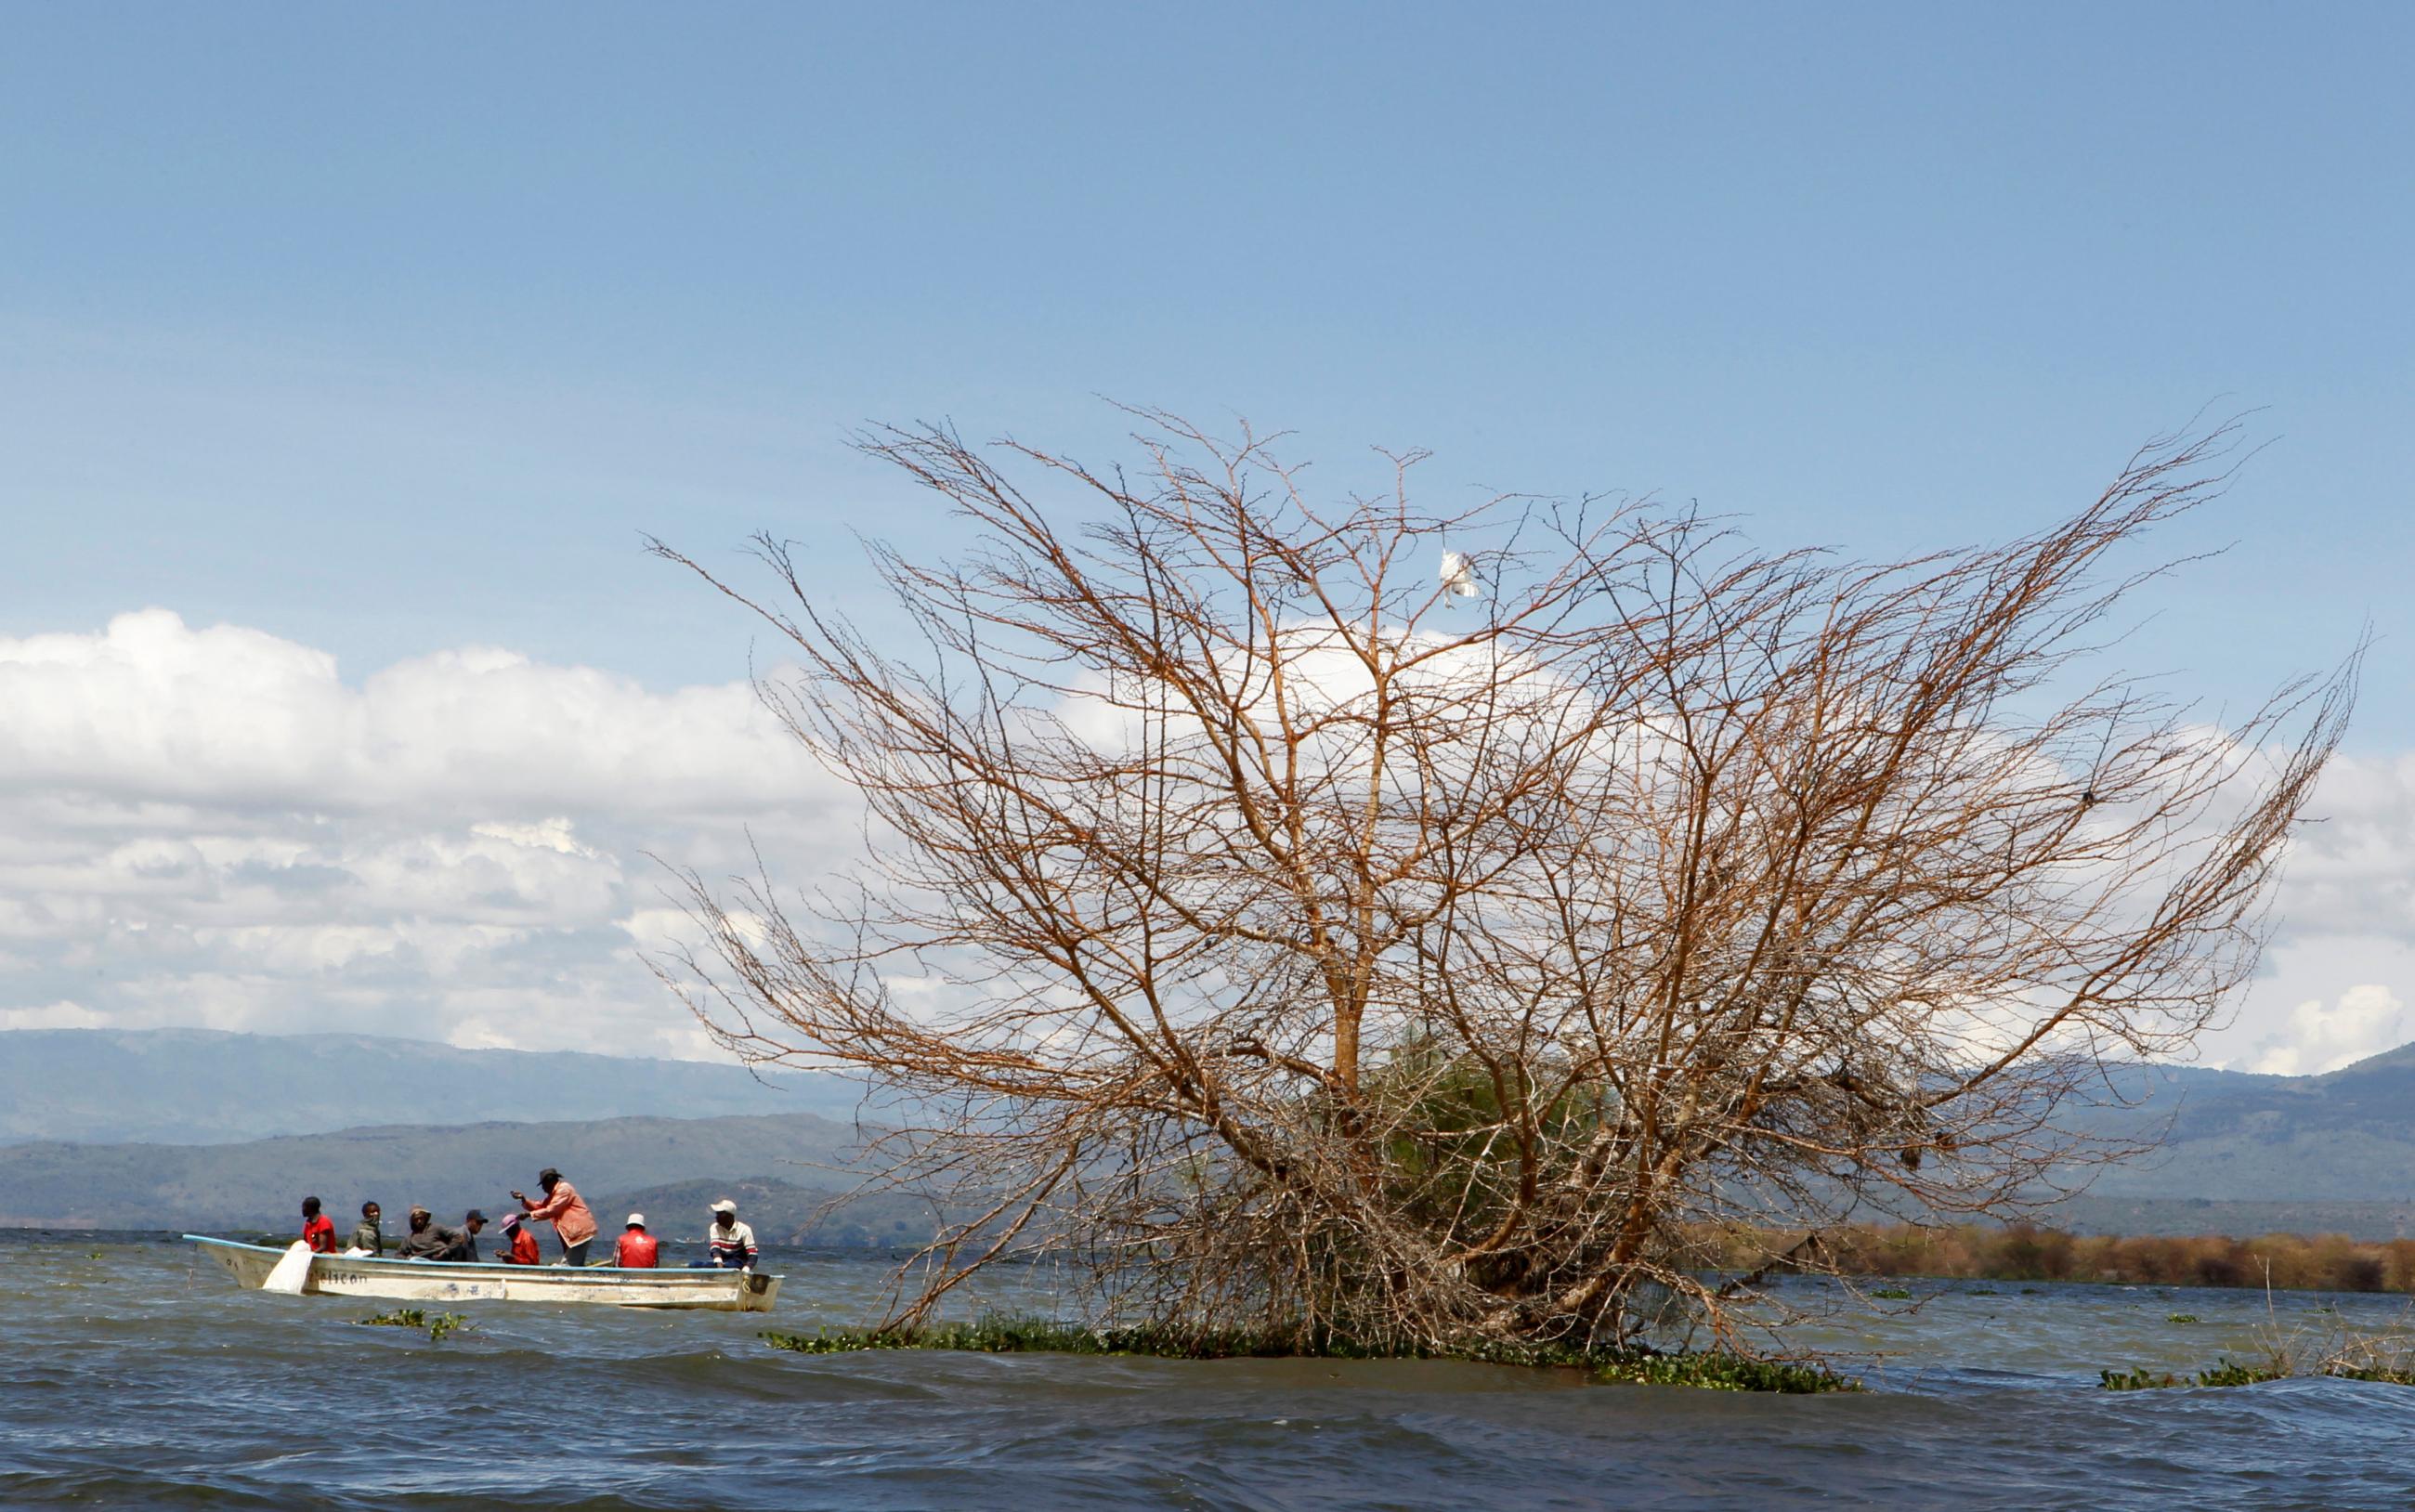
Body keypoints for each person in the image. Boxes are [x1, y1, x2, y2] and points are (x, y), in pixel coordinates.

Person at [512, 1167, 597, 1266]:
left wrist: (529, 1214)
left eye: (543, 1185)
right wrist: (524, 1199)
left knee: (568, 1265)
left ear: (550, 1181)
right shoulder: (554, 1194)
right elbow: (541, 1206)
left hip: (580, 1232)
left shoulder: (564, 1189)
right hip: (574, 1233)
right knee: (576, 1264)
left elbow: (552, 1210)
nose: (543, 1189)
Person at [396, 1205, 468, 1261]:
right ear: (412, 1221)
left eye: (421, 1218)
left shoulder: (436, 1228)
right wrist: (410, 1259)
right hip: (421, 1263)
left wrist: (446, 1252)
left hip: (440, 1261)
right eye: (416, 1219)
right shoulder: (409, 1239)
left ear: (425, 1218)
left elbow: (458, 1237)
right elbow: (398, 1255)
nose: (419, 1221)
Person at [704, 1198, 757, 1270]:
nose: (717, 1217)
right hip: (722, 1262)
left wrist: (747, 1268)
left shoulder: (744, 1230)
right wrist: (719, 1263)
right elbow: (715, 1248)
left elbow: (753, 1255)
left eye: (720, 1214)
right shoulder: (715, 1227)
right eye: (717, 1214)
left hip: (738, 1263)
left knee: (730, 1265)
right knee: (694, 1264)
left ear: (729, 1216)